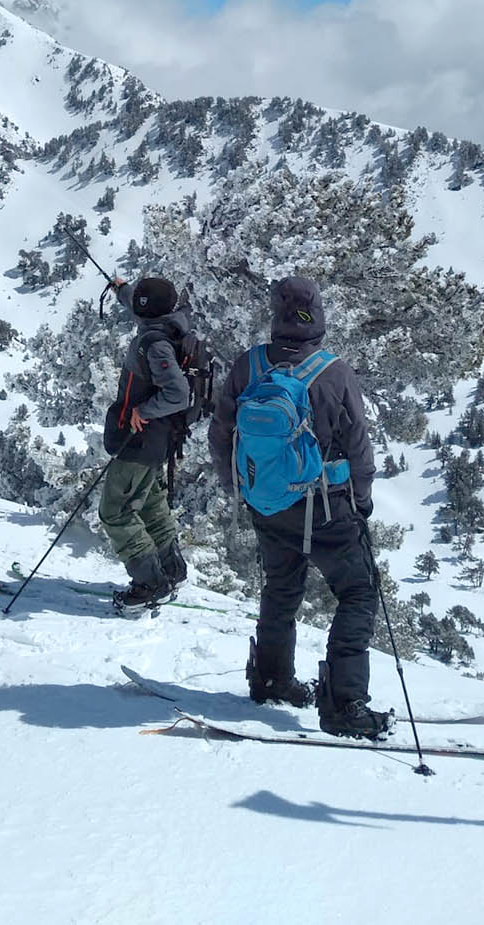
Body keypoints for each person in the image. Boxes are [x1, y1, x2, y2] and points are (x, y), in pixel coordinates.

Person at [208, 275, 387, 738]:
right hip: (327, 507)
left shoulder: (249, 365)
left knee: (281, 588)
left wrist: (240, 489)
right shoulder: (333, 371)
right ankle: (344, 704)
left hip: (269, 504)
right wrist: (362, 503)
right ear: (319, 318)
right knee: (357, 592)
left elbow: (222, 434)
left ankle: (271, 679)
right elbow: (359, 448)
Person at [100, 276, 190, 608]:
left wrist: (142, 410)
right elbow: (141, 308)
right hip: (158, 440)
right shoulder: (172, 323)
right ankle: (171, 569)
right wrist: (122, 289)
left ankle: (150, 583)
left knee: (116, 511)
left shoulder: (155, 344)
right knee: (151, 505)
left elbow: (178, 394)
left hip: (138, 439)